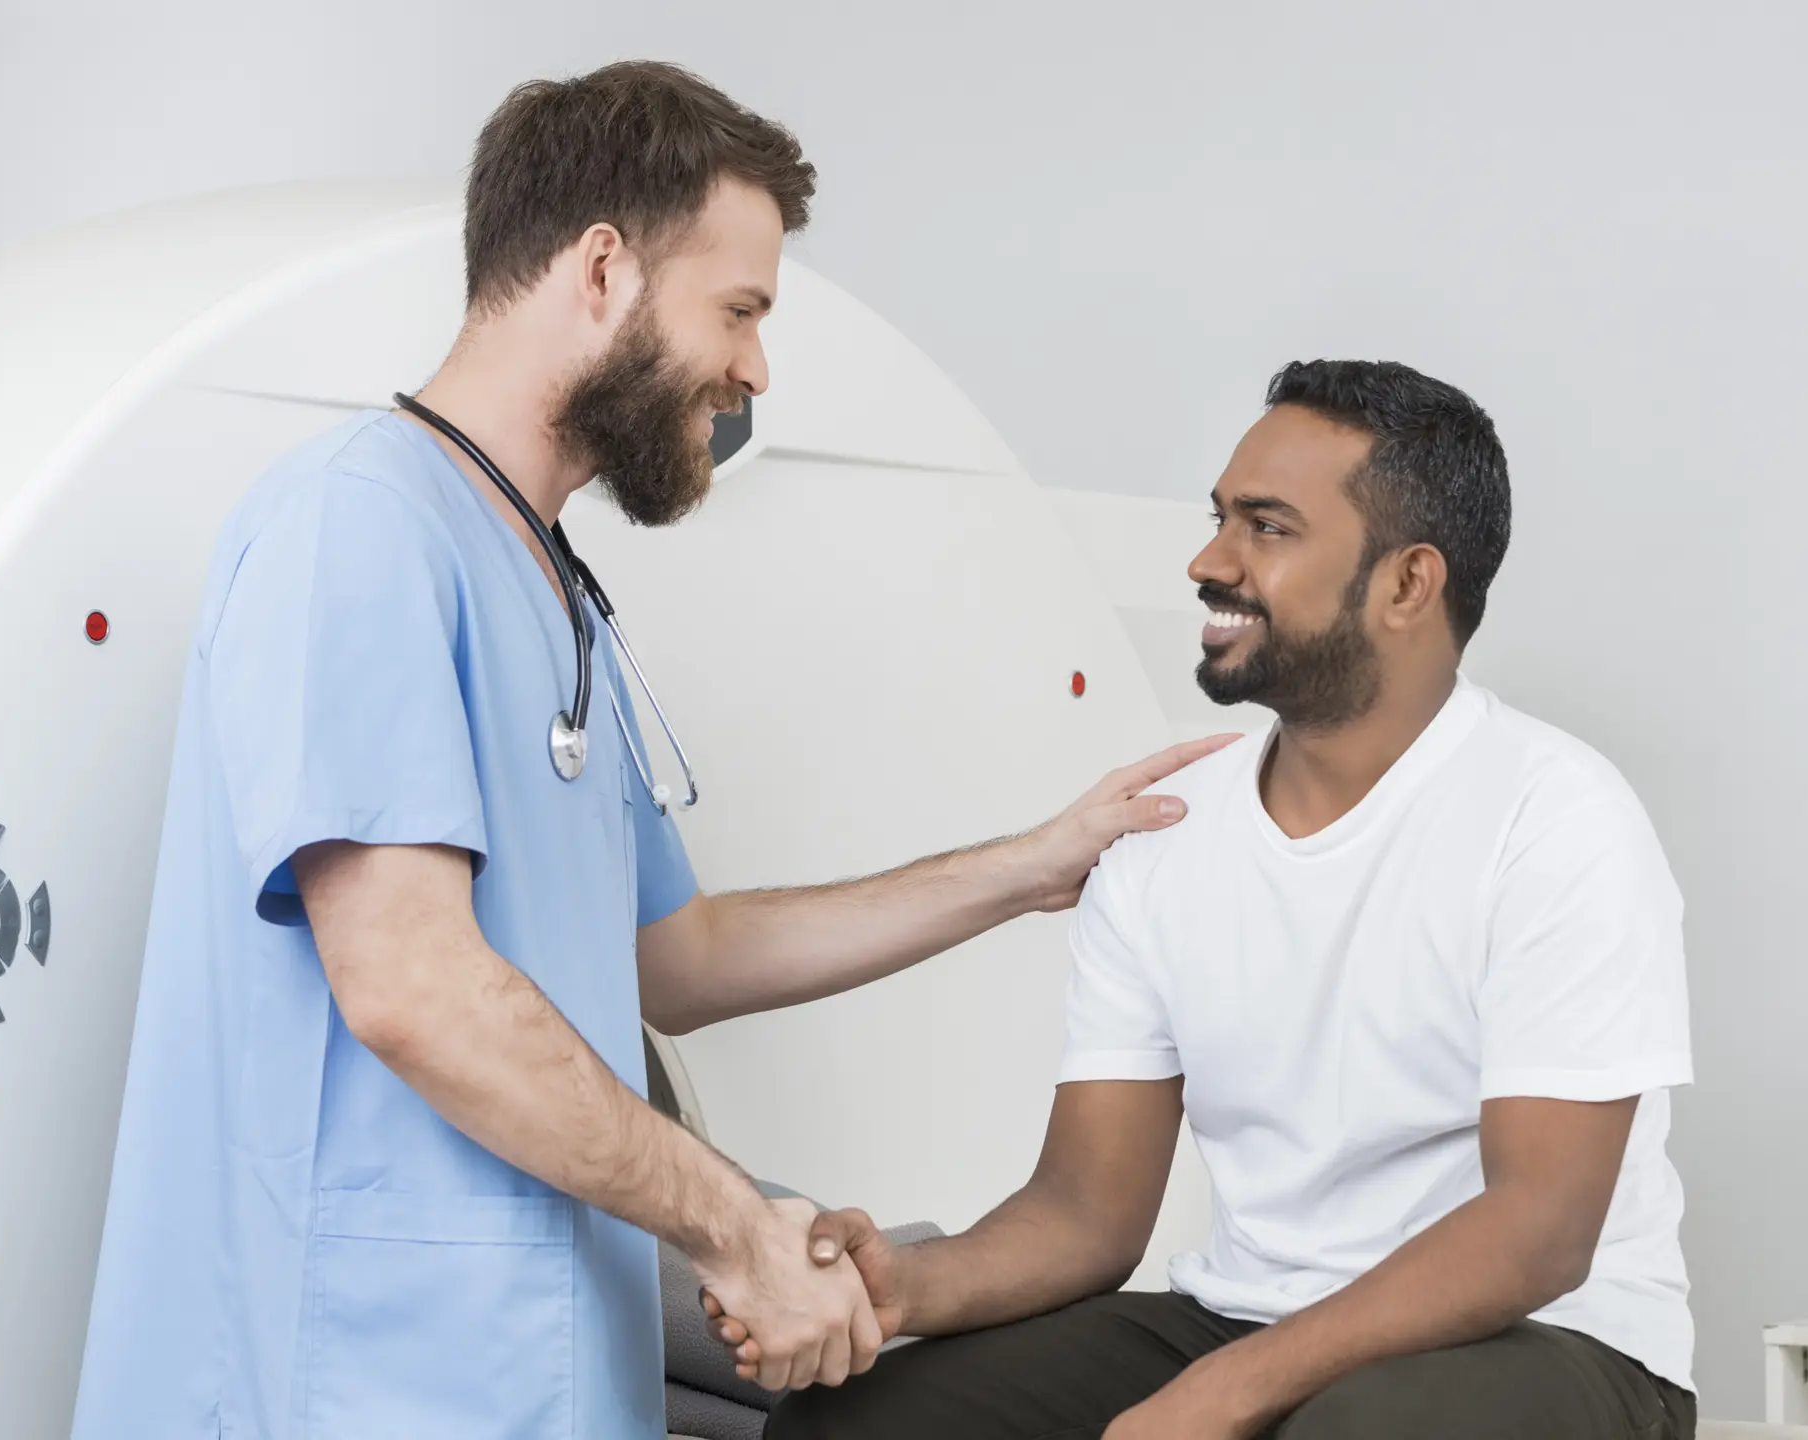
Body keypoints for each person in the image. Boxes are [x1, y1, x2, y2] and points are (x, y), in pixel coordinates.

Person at [70, 62, 1230, 1440]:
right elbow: (410, 985)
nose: (755, 368)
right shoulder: (363, 528)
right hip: (353, 1374)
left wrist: (1027, 868)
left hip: (536, 1368)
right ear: (605, 270)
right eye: (738, 309)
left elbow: (679, 961)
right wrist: (734, 1228)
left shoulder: (548, 586)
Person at [745, 361, 1698, 1439]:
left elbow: (1539, 1230)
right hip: (1246, 1314)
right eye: (1219, 519)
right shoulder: (1167, 831)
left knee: (1347, 1432)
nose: (1210, 561)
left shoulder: (1554, 819)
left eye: (1268, 528)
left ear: (1407, 584)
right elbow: (1086, 1212)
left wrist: (1224, 1393)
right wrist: (906, 1285)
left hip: (1557, 1338)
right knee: (856, 1428)